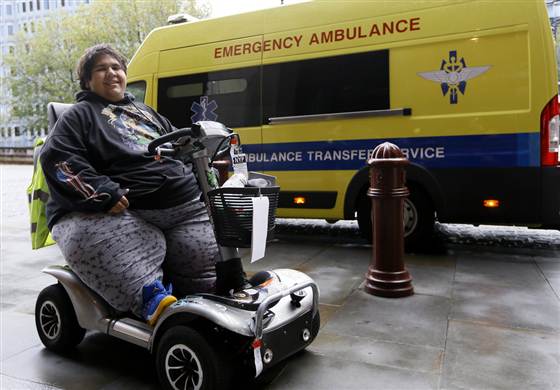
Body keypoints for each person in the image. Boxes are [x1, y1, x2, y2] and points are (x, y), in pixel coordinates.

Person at [40, 44, 248, 326]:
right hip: (129, 211)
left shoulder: (145, 112)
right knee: (111, 244)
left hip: (185, 207)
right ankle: (148, 297)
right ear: (87, 81)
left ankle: (209, 295)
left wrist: (205, 178)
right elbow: (59, 159)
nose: (111, 73)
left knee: (210, 257)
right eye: (101, 69)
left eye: (116, 67)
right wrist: (105, 192)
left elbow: (181, 145)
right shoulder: (79, 115)